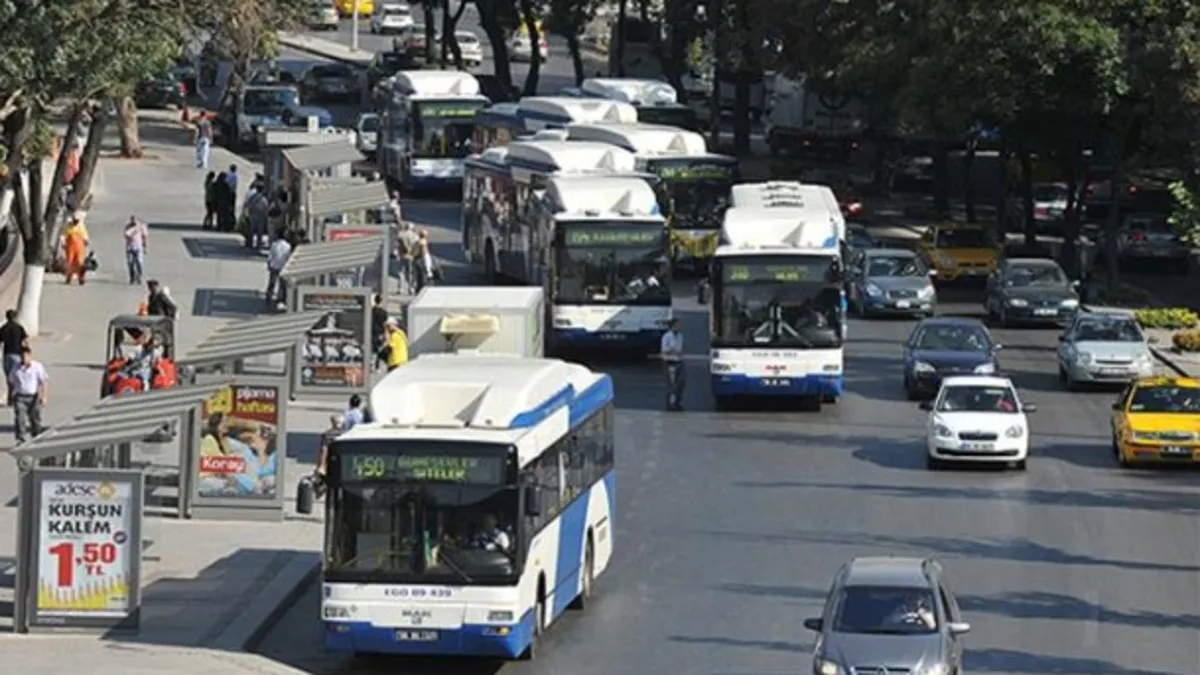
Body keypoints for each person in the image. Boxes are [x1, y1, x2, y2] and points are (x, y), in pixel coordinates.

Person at [8, 346, 48, 444]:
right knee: (20, 419)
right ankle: (20, 439)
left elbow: (44, 382)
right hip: (20, 397)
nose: (24, 359)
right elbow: (11, 382)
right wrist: (10, 396)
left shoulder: (37, 367)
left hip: (33, 397)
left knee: (35, 419)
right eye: (22, 357)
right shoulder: (16, 368)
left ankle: (36, 436)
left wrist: (44, 396)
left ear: (30, 356)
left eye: (25, 356)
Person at [1, 310, 28, 404]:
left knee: (9, 377)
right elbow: (24, 341)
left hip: (6, 354)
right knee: (17, 377)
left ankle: (10, 398)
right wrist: (27, 352)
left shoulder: (4, 328)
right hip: (17, 354)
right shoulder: (19, 328)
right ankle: (16, 397)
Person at [660, 318, 685, 411]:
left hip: (679, 361)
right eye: (677, 325)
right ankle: (670, 404)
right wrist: (674, 351)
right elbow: (664, 350)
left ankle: (677, 402)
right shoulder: (666, 337)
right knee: (671, 385)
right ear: (673, 326)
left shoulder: (680, 336)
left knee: (680, 384)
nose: (679, 327)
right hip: (670, 363)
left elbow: (681, 347)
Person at [266, 230, 293, 309]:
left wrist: (269, 264)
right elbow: (288, 257)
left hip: (274, 266)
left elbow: (271, 255)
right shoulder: (288, 246)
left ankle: (268, 298)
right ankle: (282, 299)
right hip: (283, 267)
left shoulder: (274, 244)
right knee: (282, 285)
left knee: (272, 283)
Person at [60, 217, 89, 285]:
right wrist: (63, 243)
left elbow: (85, 235)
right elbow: (63, 235)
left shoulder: (80, 225)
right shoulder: (67, 226)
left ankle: (81, 278)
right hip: (70, 246)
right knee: (70, 262)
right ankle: (69, 277)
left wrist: (86, 240)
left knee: (79, 262)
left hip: (79, 246)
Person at [396, 221, 421, 294]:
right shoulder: (415, 236)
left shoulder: (401, 235)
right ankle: (410, 288)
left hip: (402, 255)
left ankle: (400, 288)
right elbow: (417, 246)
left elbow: (397, 245)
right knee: (410, 273)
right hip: (411, 256)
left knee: (400, 272)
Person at [123, 216, 149, 285]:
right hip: (129, 248)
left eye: (135, 220)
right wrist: (132, 231)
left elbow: (144, 237)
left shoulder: (141, 227)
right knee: (130, 263)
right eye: (132, 220)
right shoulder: (128, 227)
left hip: (138, 248)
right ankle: (132, 277)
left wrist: (145, 247)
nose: (133, 222)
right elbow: (126, 235)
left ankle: (139, 277)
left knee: (139, 262)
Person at [370, 294, 389, 368]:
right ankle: (376, 366)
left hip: (371, 332)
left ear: (375, 301)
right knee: (379, 349)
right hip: (380, 333)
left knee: (372, 349)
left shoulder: (371, 311)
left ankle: (371, 363)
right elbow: (385, 324)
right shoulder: (384, 312)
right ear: (381, 302)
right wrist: (385, 334)